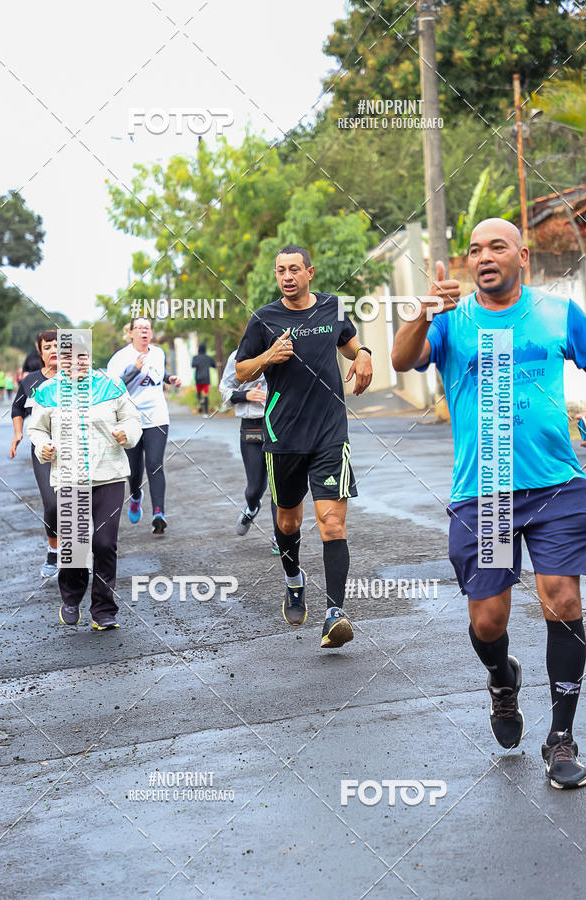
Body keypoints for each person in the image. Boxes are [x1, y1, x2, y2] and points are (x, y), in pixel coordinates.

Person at [391, 217, 586, 789]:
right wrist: (423, 312)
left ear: (522, 255)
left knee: (563, 597)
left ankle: (561, 738)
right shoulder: (451, 321)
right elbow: (403, 361)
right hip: (488, 492)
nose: (484, 257)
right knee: (489, 619)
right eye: (475, 249)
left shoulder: (559, 313)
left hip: (554, 484)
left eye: (497, 246)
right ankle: (503, 678)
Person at [235, 244, 372, 649]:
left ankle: (335, 613)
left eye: (295, 269)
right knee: (288, 523)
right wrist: (269, 356)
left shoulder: (330, 308)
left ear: (309, 272)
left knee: (332, 523)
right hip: (283, 437)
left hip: (330, 433)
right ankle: (293, 579)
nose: (288, 276)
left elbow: (349, 343)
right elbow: (241, 371)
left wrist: (363, 354)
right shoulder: (264, 318)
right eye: (281, 270)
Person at [28, 336, 142, 629]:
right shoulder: (47, 391)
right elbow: (36, 428)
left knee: (104, 543)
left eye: (81, 357)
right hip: (69, 475)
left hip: (110, 473)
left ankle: (104, 609)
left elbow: (132, 419)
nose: (75, 363)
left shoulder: (110, 385)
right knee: (75, 546)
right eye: (68, 357)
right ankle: (71, 597)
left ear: (90, 357)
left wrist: (125, 433)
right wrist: (43, 446)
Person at [107, 317, 181, 535]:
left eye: (147, 328)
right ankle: (136, 495)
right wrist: (133, 370)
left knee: (155, 463)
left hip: (157, 416)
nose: (143, 332)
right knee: (134, 468)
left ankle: (159, 513)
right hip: (130, 419)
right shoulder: (121, 358)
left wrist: (170, 378)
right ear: (130, 333)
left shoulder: (158, 353)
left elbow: (157, 374)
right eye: (139, 328)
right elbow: (113, 388)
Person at [219, 350, 279, 553]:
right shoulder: (238, 356)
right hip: (251, 426)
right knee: (254, 489)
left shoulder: (283, 351)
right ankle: (252, 508)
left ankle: (280, 537)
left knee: (278, 486)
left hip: (279, 424)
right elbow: (224, 389)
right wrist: (246, 395)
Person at [10, 331, 59, 577]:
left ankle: (79, 556)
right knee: (52, 503)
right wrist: (18, 432)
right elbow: (17, 407)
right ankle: (53, 550)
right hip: (43, 449)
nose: (53, 350)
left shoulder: (79, 379)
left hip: (77, 447)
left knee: (78, 501)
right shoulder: (31, 382)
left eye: (58, 345)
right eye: (47, 346)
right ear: (40, 352)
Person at [191, 342, 215, 416]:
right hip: (206, 378)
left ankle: (200, 401)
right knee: (206, 394)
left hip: (198, 378)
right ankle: (206, 412)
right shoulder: (208, 358)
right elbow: (213, 365)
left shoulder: (195, 357)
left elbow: (193, 365)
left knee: (198, 392)